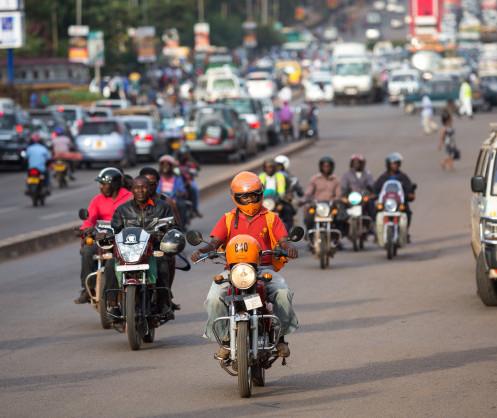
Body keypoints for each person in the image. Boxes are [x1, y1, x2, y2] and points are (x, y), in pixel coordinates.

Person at [191, 171, 299, 359]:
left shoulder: (271, 217)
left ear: (260, 194)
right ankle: (225, 340)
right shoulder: (228, 218)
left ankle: (280, 337)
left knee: (283, 293)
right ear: (236, 197)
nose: (249, 200)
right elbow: (215, 242)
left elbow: (283, 240)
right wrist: (201, 251)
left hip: (263, 268)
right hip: (233, 270)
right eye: (244, 197)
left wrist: (289, 248)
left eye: (253, 195)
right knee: (213, 298)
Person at [104, 176, 180, 319]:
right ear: (132, 190)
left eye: (144, 187)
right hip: (128, 252)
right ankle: (113, 305)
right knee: (109, 264)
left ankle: (163, 302)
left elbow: (173, 227)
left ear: (150, 189)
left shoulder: (163, 207)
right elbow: (114, 229)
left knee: (163, 261)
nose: (141, 191)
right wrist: (105, 234)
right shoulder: (122, 210)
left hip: (153, 250)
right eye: (137, 188)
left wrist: (165, 233)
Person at [73, 168, 132, 304]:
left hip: (123, 241)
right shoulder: (97, 200)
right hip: (103, 240)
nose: (100, 186)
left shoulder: (129, 197)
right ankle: (88, 289)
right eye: (100, 184)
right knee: (87, 251)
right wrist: (83, 232)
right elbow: (89, 221)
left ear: (114, 184)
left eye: (103, 184)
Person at [140, 166, 183, 311]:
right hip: (136, 247)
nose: (148, 188)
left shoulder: (166, 202)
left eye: (152, 184)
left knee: (168, 259)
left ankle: (165, 297)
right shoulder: (129, 204)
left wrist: (167, 234)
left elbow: (177, 228)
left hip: (158, 246)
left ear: (158, 184)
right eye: (144, 184)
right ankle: (117, 302)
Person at [373, 152, 416, 231]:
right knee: (376, 211)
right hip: (386, 203)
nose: (395, 165)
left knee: (407, 212)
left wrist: (410, 194)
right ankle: (377, 231)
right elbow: (376, 188)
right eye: (393, 164)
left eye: (396, 164)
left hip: (399, 202)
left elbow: (409, 188)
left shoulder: (403, 177)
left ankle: (404, 231)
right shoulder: (383, 177)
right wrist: (374, 194)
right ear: (388, 164)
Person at [300, 156, 341, 237]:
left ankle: (336, 238)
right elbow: (308, 193)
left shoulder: (336, 180)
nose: (326, 168)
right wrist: (303, 200)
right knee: (309, 218)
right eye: (324, 166)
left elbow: (338, 195)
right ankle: (310, 236)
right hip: (317, 205)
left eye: (328, 166)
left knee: (339, 218)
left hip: (330, 205)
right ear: (321, 167)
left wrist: (336, 201)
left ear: (332, 167)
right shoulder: (315, 179)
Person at [259, 158, 295, 228]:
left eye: (271, 167)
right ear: (264, 168)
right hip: (264, 202)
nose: (269, 169)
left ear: (275, 168)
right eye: (267, 167)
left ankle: (289, 230)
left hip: (279, 201)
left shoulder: (282, 176)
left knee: (288, 210)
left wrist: (289, 195)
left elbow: (288, 188)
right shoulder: (260, 177)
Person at [157, 155, 189, 227]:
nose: (165, 167)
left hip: (174, 199)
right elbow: (156, 189)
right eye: (163, 165)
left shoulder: (177, 177)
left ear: (171, 166)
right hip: (161, 199)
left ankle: (181, 226)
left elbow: (181, 189)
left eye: (167, 165)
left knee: (182, 205)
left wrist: (178, 195)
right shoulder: (158, 177)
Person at [176, 145, 202, 218]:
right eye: (182, 155)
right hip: (179, 182)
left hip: (189, 181)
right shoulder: (176, 164)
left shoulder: (190, 163)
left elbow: (197, 169)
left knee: (195, 189)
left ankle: (195, 209)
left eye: (185, 155)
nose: (183, 157)